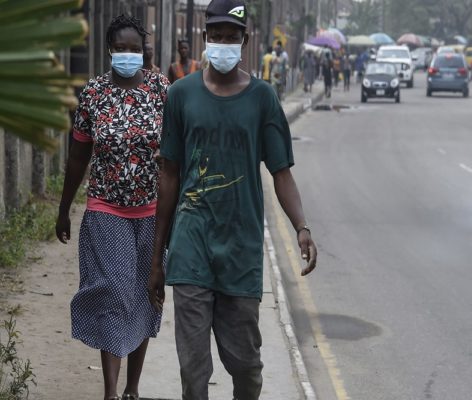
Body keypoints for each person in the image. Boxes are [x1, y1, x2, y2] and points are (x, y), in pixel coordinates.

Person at [147, 0, 318, 399]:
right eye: (217, 36)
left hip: (240, 249)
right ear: (206, 39)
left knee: (246, 367)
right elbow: (168, 176)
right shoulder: (180, 94)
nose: (223, 44)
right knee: (193, 369)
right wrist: (157, 258)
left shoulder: (263, 99)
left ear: (244, 42)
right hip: (190, 245)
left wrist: (302, 227)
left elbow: (281, 173)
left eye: (232, 37)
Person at [55, 14, 169, 400]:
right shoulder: (94, 93)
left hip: (152, 213)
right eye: (120, 48)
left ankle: (133, 389)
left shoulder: (160, 90)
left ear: (144, 51)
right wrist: (63, 208)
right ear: (109, 50)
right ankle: (109, 392)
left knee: (143, 296)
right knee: (114, 294)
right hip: (106, 211)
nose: (127, 54)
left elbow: (174, 157)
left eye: (134, 49)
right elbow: (78, 156)